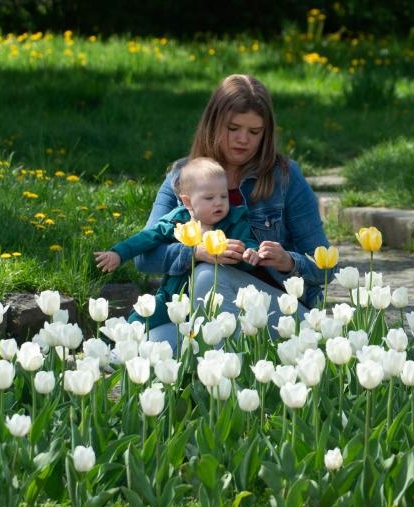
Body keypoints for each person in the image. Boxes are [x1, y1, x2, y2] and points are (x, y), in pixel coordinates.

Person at [134, 73, 334, 347]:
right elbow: (144, 258)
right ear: (213, 124)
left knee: (207, 277)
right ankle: (229, 368)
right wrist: (198, 252)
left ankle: (224, 380)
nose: (243, 140)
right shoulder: (183, 175)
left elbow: (326, 268)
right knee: (142, 347)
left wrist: (287, 261)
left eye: (254, 132)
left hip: (276, 313)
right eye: (233, 128)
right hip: (200, 310)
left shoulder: (285, 176)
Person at [94, 157, 260, 329]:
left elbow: (246, 242)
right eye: (209, 198)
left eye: (224, 196)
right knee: (141, 318)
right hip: (172, 296)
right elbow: (147, 237)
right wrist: (119, 253)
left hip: (214, 298)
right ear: (187, 201)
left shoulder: (235, 221)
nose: (218, 202)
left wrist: (250, 253)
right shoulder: (178, 220)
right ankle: (119, 345)